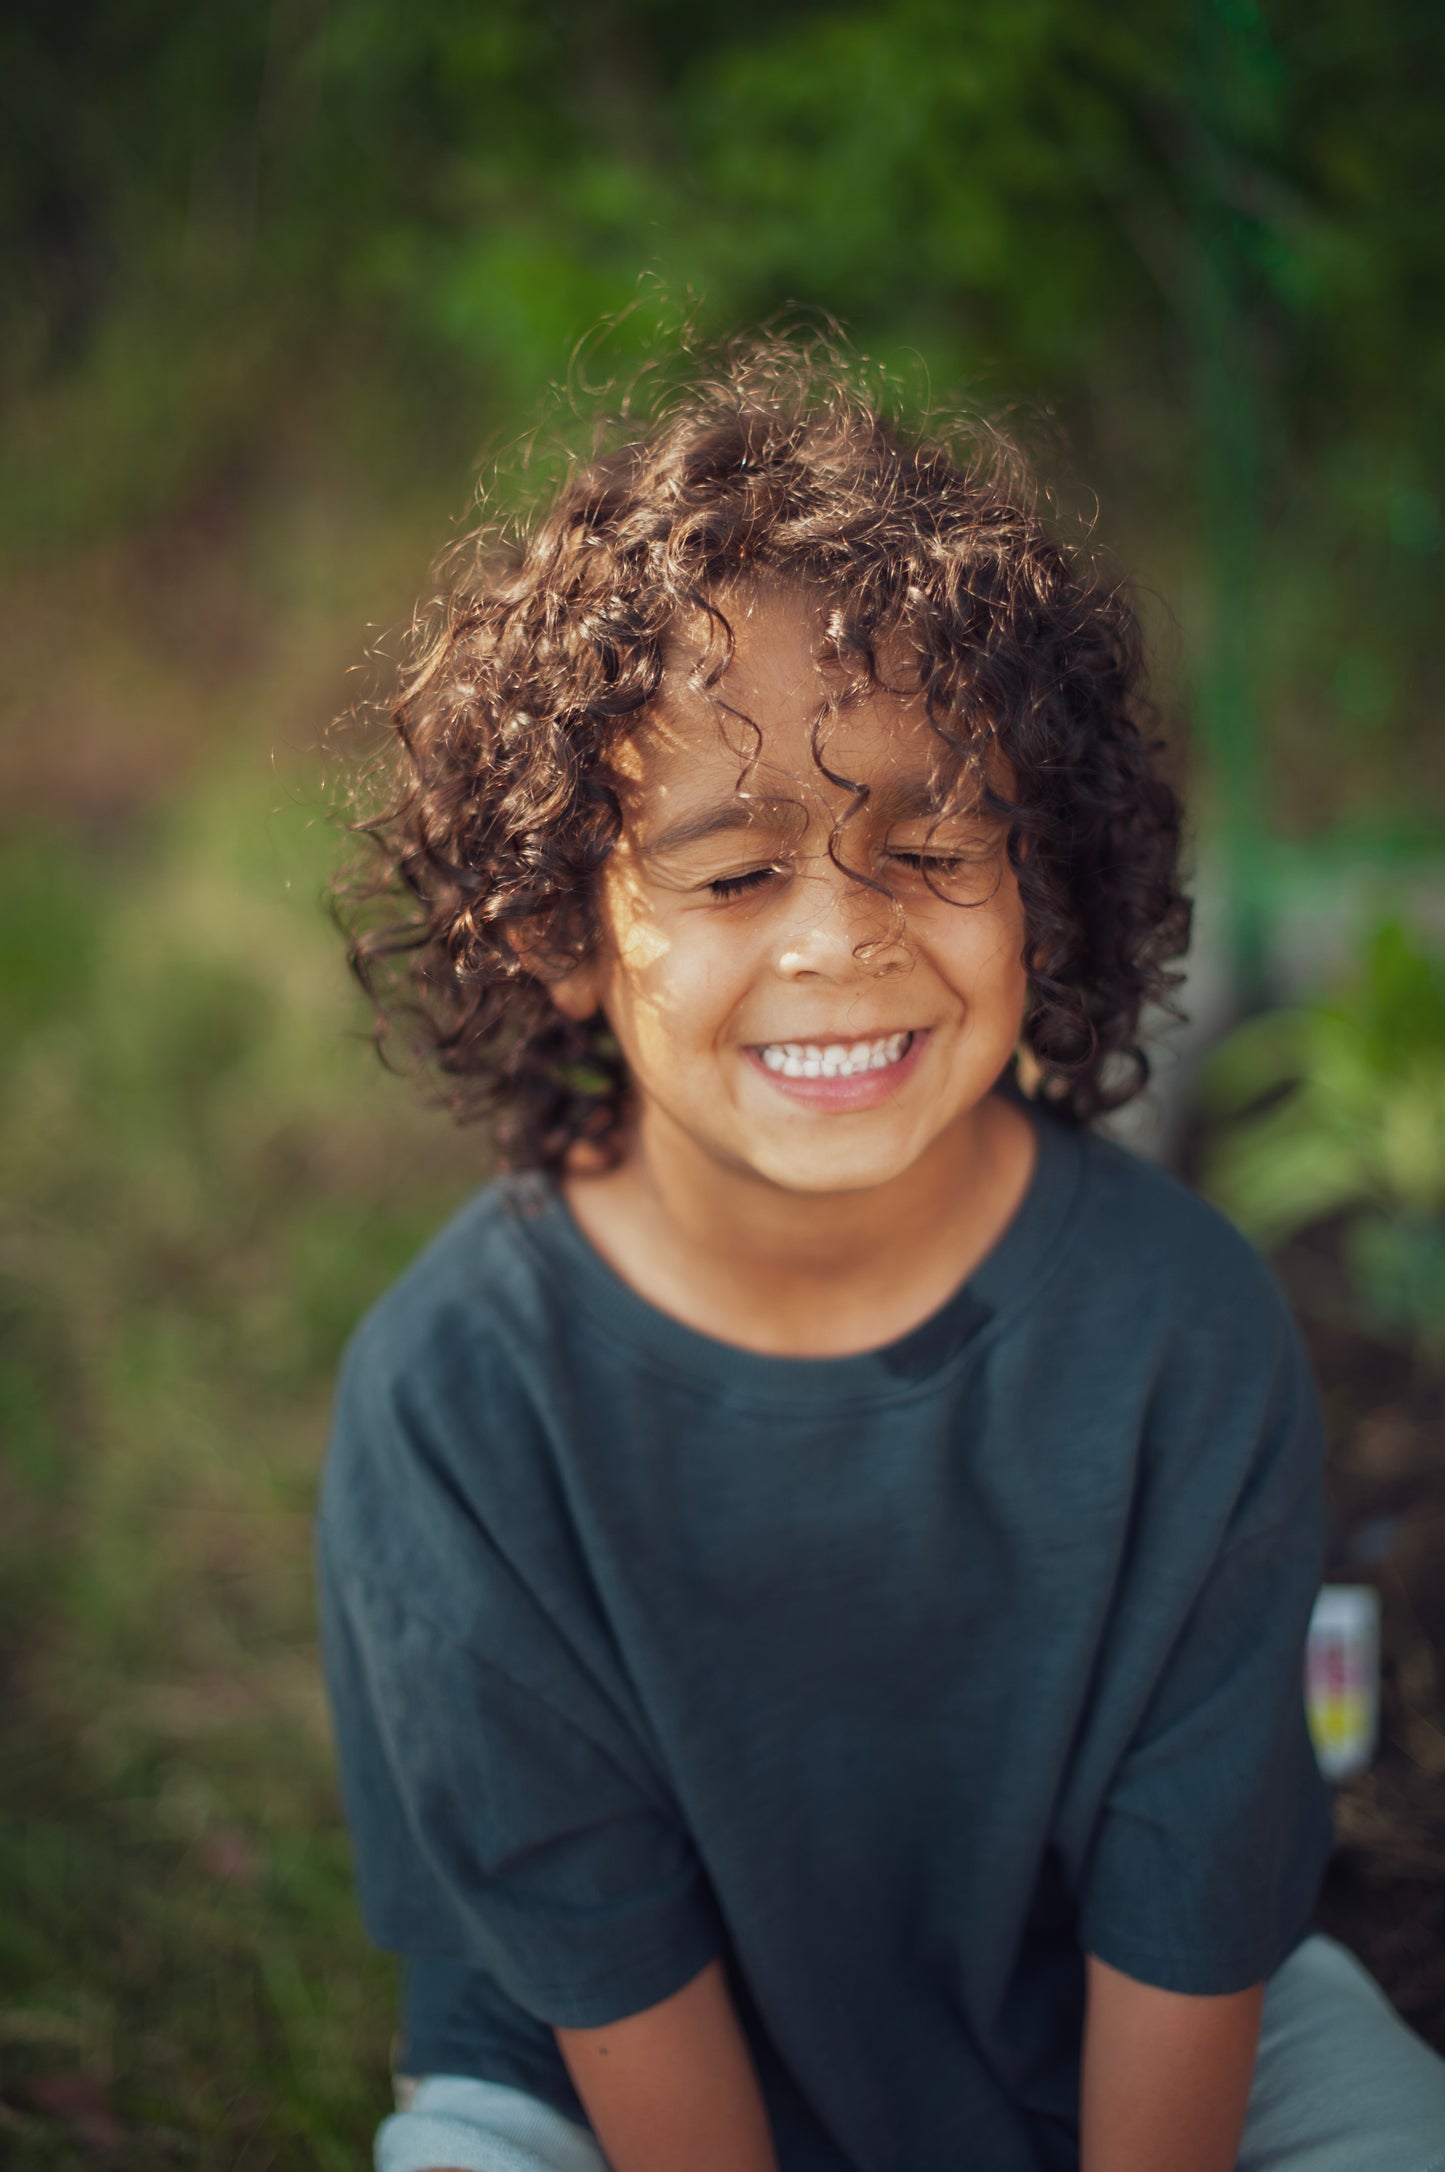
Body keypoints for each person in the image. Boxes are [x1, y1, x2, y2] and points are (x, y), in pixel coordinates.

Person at [316, 336, 1445, 2172]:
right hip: (606, 2099)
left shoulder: (1181, 1330)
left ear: (1046, 875)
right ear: (553, 927)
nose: (844, 941)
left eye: (929, 842)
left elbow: (1188, 1898)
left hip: (1117, 2037)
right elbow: (604, 1974)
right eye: (733, 872)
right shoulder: (456, 1401)